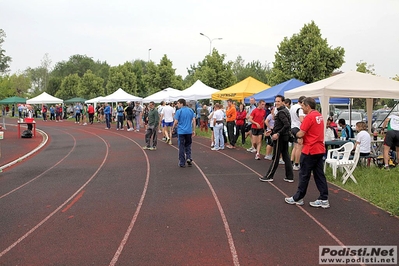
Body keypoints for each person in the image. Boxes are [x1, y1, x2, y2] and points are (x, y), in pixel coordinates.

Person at [285, 97, 330, 209]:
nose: (302, 108)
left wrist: (295, 133)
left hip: (310, 149)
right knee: (319, 175)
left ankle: (298, 197)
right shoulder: (319, 115)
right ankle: (324, 198)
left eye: (303, 106)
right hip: (319, 148)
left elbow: (301, 133)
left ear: (308, 106)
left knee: (304, 174)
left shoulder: (309, 117)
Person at [260, 95, 294, 182]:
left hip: (281, 137)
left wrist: (278, 133)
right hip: (284, 136)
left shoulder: (281, 112)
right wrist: (272, 131)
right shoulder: (285, 111)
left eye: (279, 101)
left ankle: (269, 176)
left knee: (276, 157)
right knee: (286, 156)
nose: (277, 103)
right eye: (276, 101)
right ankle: (289, 176)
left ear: (283, 102)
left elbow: (286, 125)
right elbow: (282, 125)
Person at [172, 98, 196, 167]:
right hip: (188, 131)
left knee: (181, 146)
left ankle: (182, 162)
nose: (177, 105)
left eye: (178, 103)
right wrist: (194, 130)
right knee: (188, 145)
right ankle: (188, 157)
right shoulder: (191, 110)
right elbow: (194, 120)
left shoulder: (179, 111)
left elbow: (176, 121)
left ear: (182, 104)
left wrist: (173, 128)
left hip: (181, 131)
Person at [290, 96, 306, 171]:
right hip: (298, 128)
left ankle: (291, 161)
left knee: (295, 146)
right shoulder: (300, 108)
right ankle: (296, 164)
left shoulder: (292, 107)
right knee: (299, 147)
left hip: (292, 127)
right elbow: (302, 119)